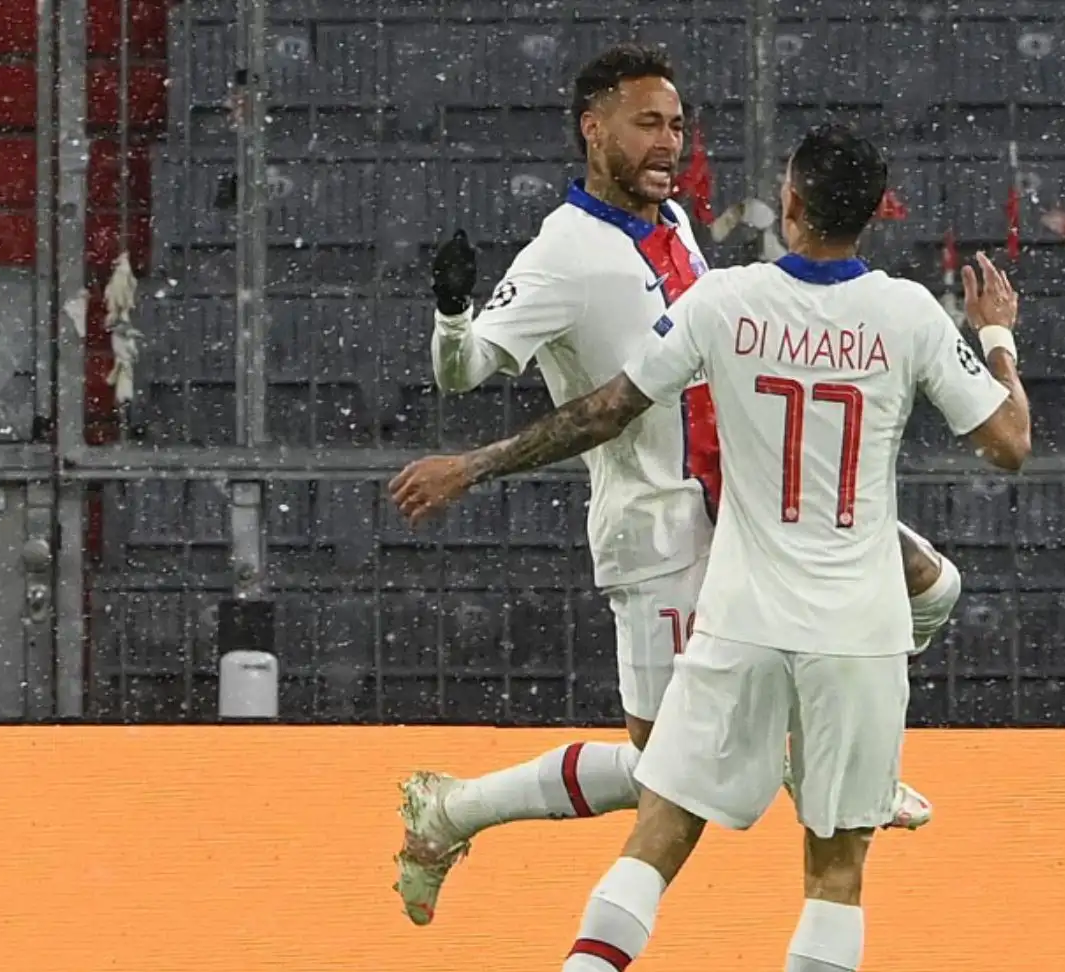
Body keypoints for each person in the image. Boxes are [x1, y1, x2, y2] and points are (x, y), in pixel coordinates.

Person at [391, 125, 1031, 972]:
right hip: (857, 634)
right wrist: (996, 335)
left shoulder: (724, 300)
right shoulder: (907, 313)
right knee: (835, 868)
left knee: (658, 833)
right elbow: (1009, 443)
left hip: (738, 615)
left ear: (789, 201)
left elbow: (601, 409)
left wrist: (478, 463)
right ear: (873, 212)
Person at [395, 43, 963, 927]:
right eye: (648, 123)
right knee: (669, 773)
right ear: (594, 128)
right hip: (656, 529)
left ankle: (835, 760)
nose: (670, 141)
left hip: (739, 507)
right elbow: (464, 373)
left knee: (929, 586)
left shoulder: (675, 226)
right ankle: (454, 811)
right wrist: (451, 311)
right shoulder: (562, 251)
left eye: (678, 125)